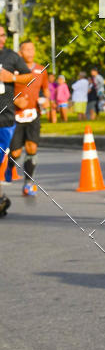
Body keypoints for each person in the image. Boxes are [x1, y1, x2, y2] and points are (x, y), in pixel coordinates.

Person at [6, 40, 50, 196]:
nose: (30, 52)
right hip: (16, 116)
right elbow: (4, 92)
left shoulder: (41, 70)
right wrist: (15, 100)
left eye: (32, 49)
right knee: (16, 152)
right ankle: (8, 169)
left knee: (32, 148)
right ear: (20, 53)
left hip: (33, 115)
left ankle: (28, 183)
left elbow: (46, 89)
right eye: (26, 49)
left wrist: (46, 102)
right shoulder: (12, 71)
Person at [0, 25, 34, 216]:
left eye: (3, 35)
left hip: (4, 118)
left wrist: (11, 76)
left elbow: (28, 77)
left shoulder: (12, 57)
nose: (2, 39)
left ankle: (1, 199)